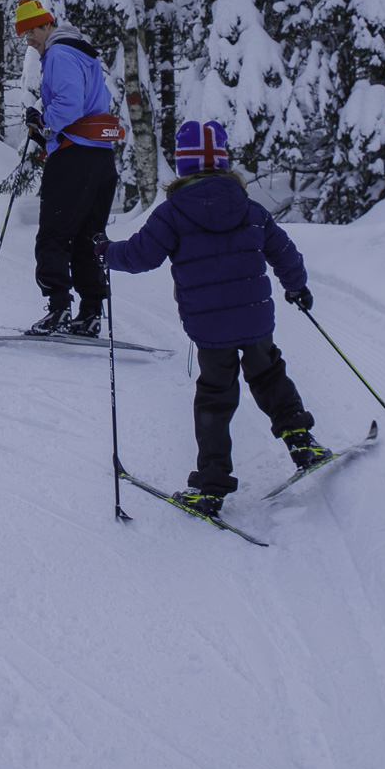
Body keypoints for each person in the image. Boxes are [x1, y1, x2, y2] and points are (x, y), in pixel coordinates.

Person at [96, 119, 330, 518]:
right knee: (270, 376)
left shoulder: (172, 214)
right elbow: (284, 252)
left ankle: (212, 486)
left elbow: (140, 256)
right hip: (256, 319)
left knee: (215, 400)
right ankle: (301, 440)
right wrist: (297, 286)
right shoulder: (249, 207)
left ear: (183, 166)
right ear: (223, 162)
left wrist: (105, 251)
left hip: (209, 328)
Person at [15, 0, 124, 337]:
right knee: (87, 236)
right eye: (25, 36)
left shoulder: (59, 54)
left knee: (54, 233)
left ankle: (58, 308)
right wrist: (47, 128)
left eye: (31, 32)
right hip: (100, 157)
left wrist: (43, 121)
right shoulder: (80, 53)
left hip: (74, 156)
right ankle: (90, 312)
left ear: (47, 25)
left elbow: (69, 105)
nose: (29, 41)